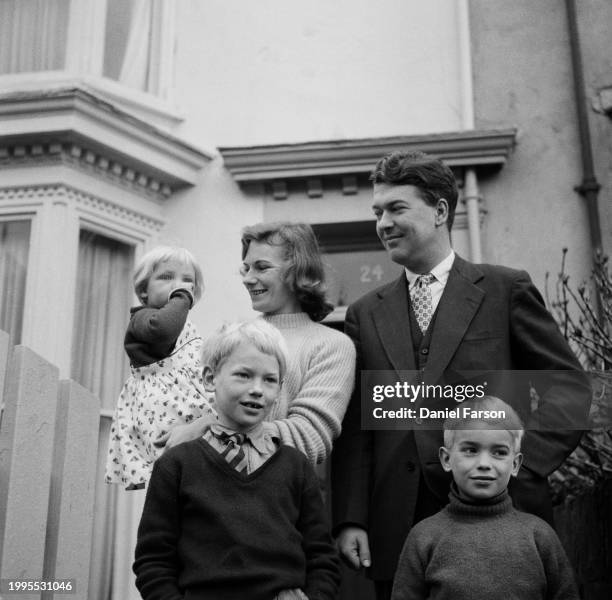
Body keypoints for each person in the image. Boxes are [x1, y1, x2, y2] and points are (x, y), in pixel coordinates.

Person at [331, 150, 591, 599]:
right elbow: (358, 425)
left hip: (501, 520)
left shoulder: (505, 289)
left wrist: (518, 467)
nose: (383, 223)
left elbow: (569, 390)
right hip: (399, 523)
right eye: (377, 212)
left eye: (396, 208)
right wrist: (352, 516)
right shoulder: (363, 313)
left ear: (440, 211)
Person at [133, 320, 340, 600]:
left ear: (279, 389)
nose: (257, 389)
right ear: (209, 379)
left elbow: (322, 558)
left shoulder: (297, 467)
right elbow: (153, 561)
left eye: (269, 380)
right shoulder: (176, 465)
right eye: (243, 375)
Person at [163, 221, 356, 466]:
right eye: (246, 269)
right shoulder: (232, 337)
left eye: (262, 268)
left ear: (299, 272)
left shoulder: (331, 346)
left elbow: (308, 439)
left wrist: (206, 427)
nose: (248, 279)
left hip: (272, 500)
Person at [391, 396, 579, 600]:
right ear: (446, 459)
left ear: (515, 464)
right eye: (470, 450)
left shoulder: (539, 536)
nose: (484, 463)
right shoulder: (423, 537)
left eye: (498, 452)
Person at [105, 246, 214, 489]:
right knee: (174, 477)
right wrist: (181, 296)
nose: (179, 285)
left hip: (189, 416)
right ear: (144, 291)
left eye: (188, 281)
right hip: (162, 411)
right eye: (166, 277)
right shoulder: (143, 319)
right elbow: (163, 330)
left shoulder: (183, 325)